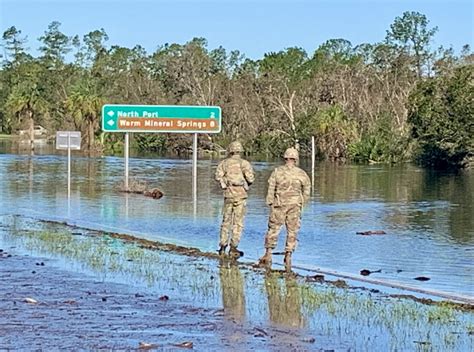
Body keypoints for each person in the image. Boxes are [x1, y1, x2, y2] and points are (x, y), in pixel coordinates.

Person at [258, 147, 310, 271]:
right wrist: (302, 203)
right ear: (296, 159)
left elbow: (271, 188)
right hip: (295, 206)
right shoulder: (301, 173)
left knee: (273, 229)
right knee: (292, 231)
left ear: (285, 158)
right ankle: (288, 255)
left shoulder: (277, 172)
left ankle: (268, 253)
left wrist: (270, 201)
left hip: (279, 204)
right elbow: (307, 191)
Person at [215, 141, 255, 257]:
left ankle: (222, 246)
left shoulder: (224, 163)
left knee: (226, 221)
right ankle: (233, 247)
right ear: (240, 151)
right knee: (238, 223)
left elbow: (218, 176)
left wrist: (225, 182)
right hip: (241, 196)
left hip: (228, 195)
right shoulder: (245, 164)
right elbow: (251, 179)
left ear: (230, 150)